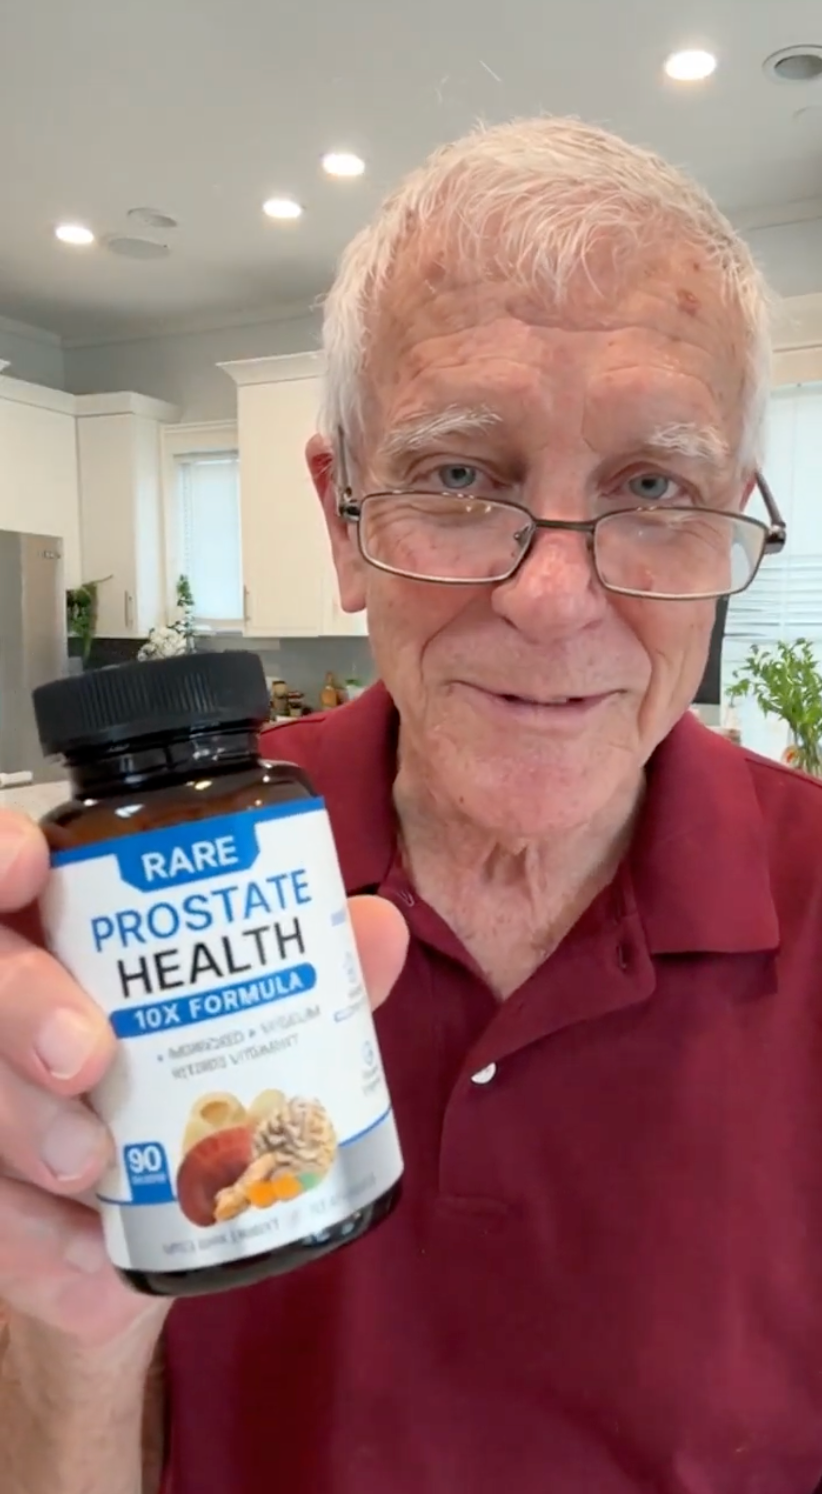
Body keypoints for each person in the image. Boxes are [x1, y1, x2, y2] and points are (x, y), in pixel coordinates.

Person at [2, 115, 822, 1494]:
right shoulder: (151, 902)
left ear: (729, 520)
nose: (551, 600)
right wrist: (66, 1333)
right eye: (458, 475)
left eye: (651, 486)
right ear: (343, 519)